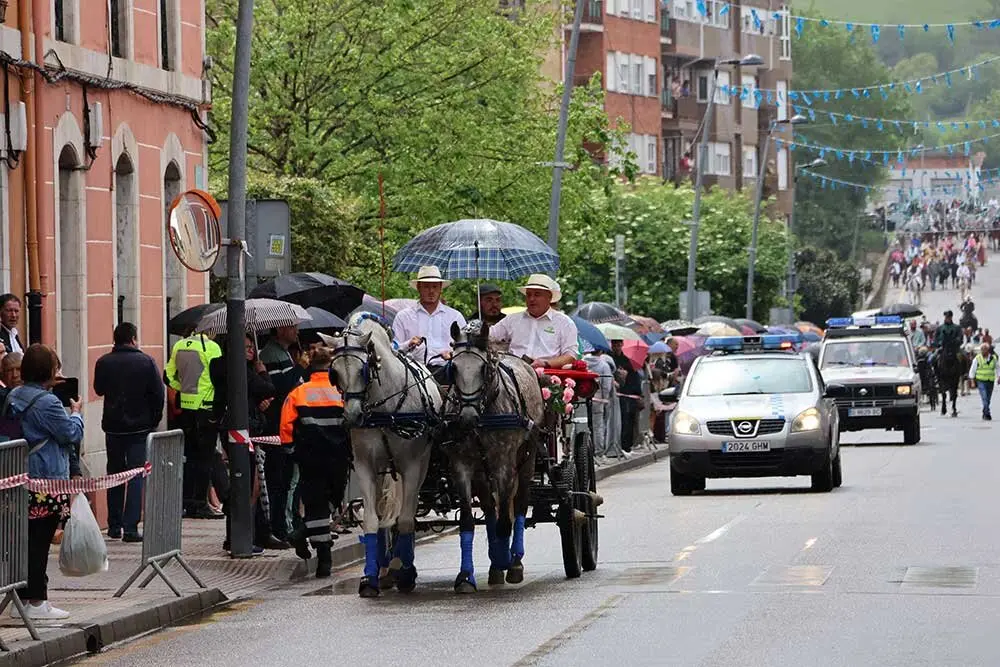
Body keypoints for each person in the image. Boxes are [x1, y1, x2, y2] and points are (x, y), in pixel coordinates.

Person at [7, 345, 83, 621]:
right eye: (55, 367)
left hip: (21, 477)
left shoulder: (15, 395)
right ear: (47, 370)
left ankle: (21, 599)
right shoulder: (47, 403)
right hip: (47, 481)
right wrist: (76, 413)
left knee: (25, 541)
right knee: (39, 543)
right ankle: (37, 602)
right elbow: (70, 434)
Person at [281, 345, 351, 578]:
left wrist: (290, 449)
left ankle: (312, 544)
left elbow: (286, 424)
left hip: (309, 456)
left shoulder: (299, 392)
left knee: (315, 504)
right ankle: (318, 552)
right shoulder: (342, 392)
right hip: (338, 456)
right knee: (331, 501)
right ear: (331, 367)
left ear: (310, 366)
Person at [94, 322, 164, 542]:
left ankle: (114, 525)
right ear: (133, 338)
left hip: (113, 427)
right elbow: (158, 395)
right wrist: (153, 421)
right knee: (135, 475)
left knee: (115, 474)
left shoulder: (103, 362)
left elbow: (98, 389)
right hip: (139, 428)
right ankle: (131, 527)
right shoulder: (146, 362)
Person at [211, 334, 281, 553]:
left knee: (247, 484)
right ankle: (238, 538)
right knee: (245, 484)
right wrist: (262, 371)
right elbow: (268, 388)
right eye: (247, 347)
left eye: (252, 347)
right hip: (241, 432)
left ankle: (242, 535)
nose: (251, 351)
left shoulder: (221, 367)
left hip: (236, 429)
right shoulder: (241, 371)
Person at [165, 329, 224, 519]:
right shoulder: (212, 347)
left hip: (186, 410)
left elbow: (167, 376)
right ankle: (200, 503)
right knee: (205, 459)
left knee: (189, 458)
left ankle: (188, 502)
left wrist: (182, 388)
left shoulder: (179, 345)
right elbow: (220, 379)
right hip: (206, 409)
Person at [259, 325, 307, 544]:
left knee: (287, 479)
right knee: (278, 479)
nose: (296, 331)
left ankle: (288, 523)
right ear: (279, 330)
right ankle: (280, 526)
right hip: (277, 424)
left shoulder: (284, 352)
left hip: (289, 422)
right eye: (292, 327)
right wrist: (299, 368)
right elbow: (280, 387)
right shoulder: (271, 354)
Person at [392, 265, 467, 383]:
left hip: (447, 372)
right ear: (418, 287)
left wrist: (453, 354)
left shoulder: (455, 317)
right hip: (413, 374)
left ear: (440, 288)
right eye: (426, 286)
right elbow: (393, 349)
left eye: (435, 286)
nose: (431, 291)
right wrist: (408, 344)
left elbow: (466, 350)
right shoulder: (403, 317)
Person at [488, 273, 579, 369]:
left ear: (549, 297)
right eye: (528, 295)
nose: (531, 299)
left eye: (537, 294)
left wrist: (546, 363)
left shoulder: (564, 323)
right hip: (513, 371)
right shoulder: (512, 319)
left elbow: (570, 356)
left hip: (547, 373)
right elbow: (489, 335)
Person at [610, 339, 642, 453]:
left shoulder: (627, 361)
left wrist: (637, 394)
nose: (617, 347)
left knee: (627, 420)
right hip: (613, 394)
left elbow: (634, 378)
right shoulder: (609, 359)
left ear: (622, 345)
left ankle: (626, 445)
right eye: (615, 345)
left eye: (619, 345)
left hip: (627, 394)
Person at [968, 342, 999, 420]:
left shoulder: (993, 358)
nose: (983, 351)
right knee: (984, 397)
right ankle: (987, 413)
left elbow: (997, 368)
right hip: (981, 381)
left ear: (988, 350)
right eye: (982, 349)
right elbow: (972, 370)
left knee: (988, 398)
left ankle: (985, 411)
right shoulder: (977, 358)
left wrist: (999, 377)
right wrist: (972, 381)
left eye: (985, 349)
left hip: (990, 380)